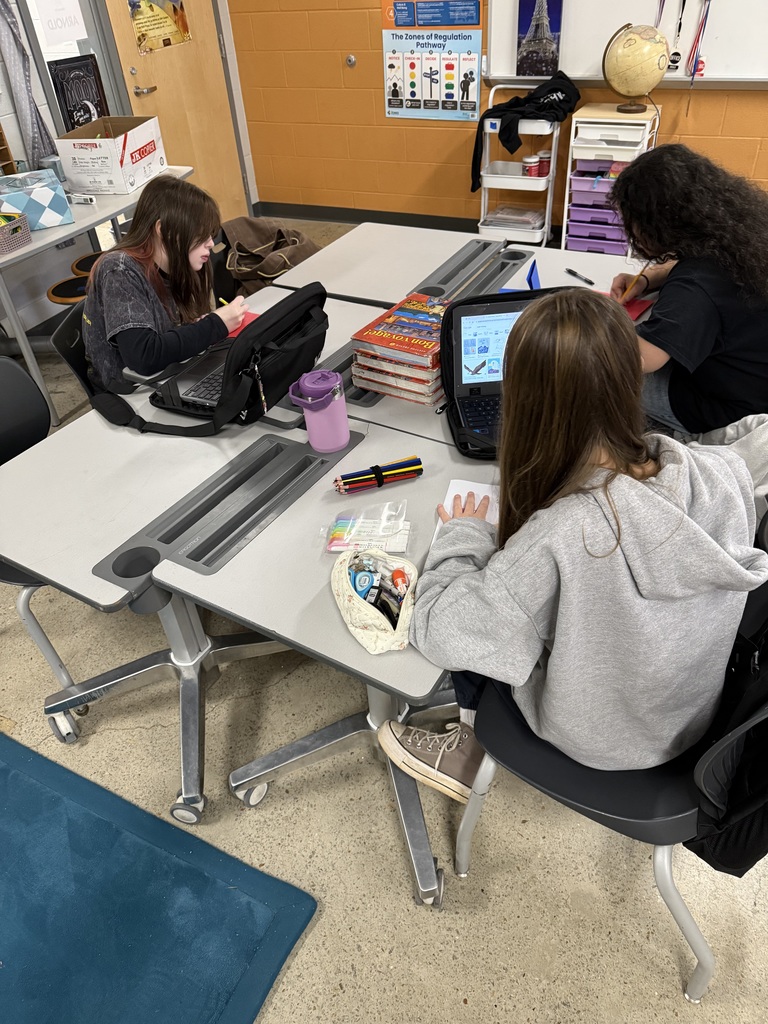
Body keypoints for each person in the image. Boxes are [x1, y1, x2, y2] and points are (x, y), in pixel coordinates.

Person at [377, 289, 768, 803]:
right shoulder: (720, 473)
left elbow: (445, 634)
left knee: (493, 621)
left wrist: (463, 537)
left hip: (601, 741)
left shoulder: (562, 534)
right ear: (633, 380)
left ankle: (467, 750)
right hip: (690, 717)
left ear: (524, 399)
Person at [608, 143, 768, 435]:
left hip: (727, 409)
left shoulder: (694, 285)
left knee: (599, 380)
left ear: (653, 224)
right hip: (756, 379)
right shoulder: (746, 233)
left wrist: (590, 324)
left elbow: (643, 359)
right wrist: (645, 281)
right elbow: (687, 265)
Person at [83, 175, 247, 392]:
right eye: (201, 234)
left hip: (169, 377)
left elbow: (171, 333)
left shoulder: (179, 264)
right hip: (134, 393)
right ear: (164, 230)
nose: (210, 243)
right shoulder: (119, 269)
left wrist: (197, 329)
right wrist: (215, 325)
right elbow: (144, 356)